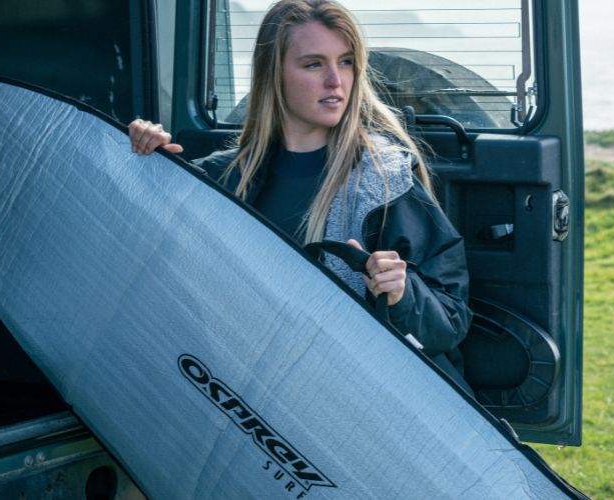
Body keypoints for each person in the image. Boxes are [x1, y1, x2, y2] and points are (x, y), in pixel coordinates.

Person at [128, 0, 473, 392]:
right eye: (313, 64)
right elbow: (147, 274)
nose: (336, 81)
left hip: (362, 396)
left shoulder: (385, 181)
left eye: (345, 62)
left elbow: (450, 321)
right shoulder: (221, 178)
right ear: (273, 74)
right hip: (256, 392)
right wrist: (145, 162)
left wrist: (400, 292)